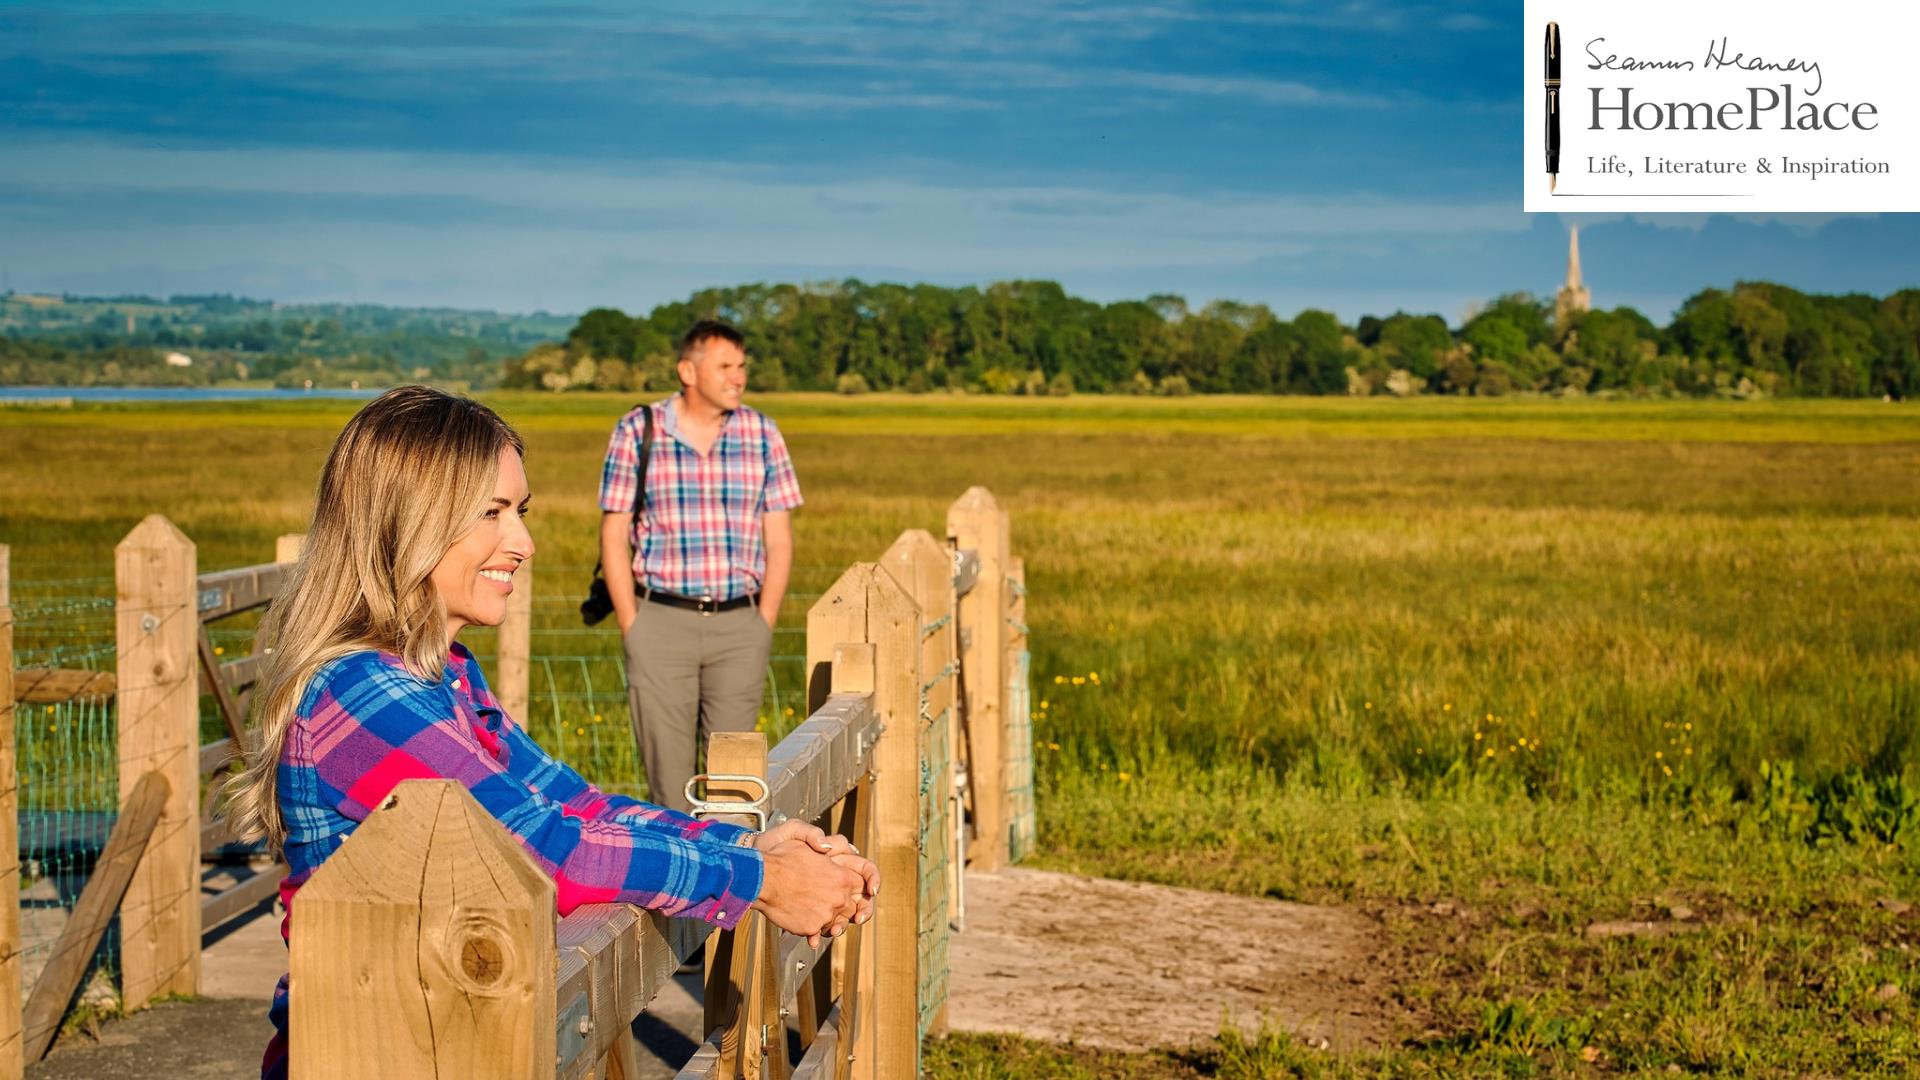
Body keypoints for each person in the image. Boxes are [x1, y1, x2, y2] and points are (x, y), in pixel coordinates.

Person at [223, 386, 874, 1080]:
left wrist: (742, 843)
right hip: (383, 1049)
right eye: (491, 513)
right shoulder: (364, 697)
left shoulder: (445, 679)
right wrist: (757, 880)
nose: (523, 543)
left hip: (449, 1038)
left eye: (520, 512)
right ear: (408, 521)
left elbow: (578, 809)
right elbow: (544, 854)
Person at [598, 320, 801, 813]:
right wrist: (633, 625)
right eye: (725, 366)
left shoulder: (762, 433)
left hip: (739, 626)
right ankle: (677, 889)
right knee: (668, 785)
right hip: (660, 624)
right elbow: (613, 533)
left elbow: (779, 537)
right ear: (688, 370)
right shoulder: (637, 430)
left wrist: (762, 622)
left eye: (741, 366)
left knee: (735, 785)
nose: (738, 377)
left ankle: (735, 886)